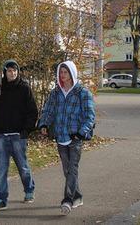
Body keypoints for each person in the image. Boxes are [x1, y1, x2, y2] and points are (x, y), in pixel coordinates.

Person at [37, 60, 95, 215]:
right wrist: (43, 124)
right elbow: (48, 110)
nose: (63, 75)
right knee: (67, 170)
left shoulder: (83, 92)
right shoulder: (55, 93)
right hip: (60, 136)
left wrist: (82, 132)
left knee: (72, 169)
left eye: (65, 72)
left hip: (75, 137)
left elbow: (90, 116)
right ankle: (77, 196)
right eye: (61, 72)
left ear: (72, 73)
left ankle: (67, 200)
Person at [0, 59, 39, 211]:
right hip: (2, 137)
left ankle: (29, 190)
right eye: (9, 70)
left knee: (23, 167)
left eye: (15, 70)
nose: (12, 73)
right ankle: (0, 198)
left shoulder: (25, 89)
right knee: (1, 169)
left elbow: (32, 112)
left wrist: (25, 131)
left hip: (18, 136)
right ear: (5, 72)